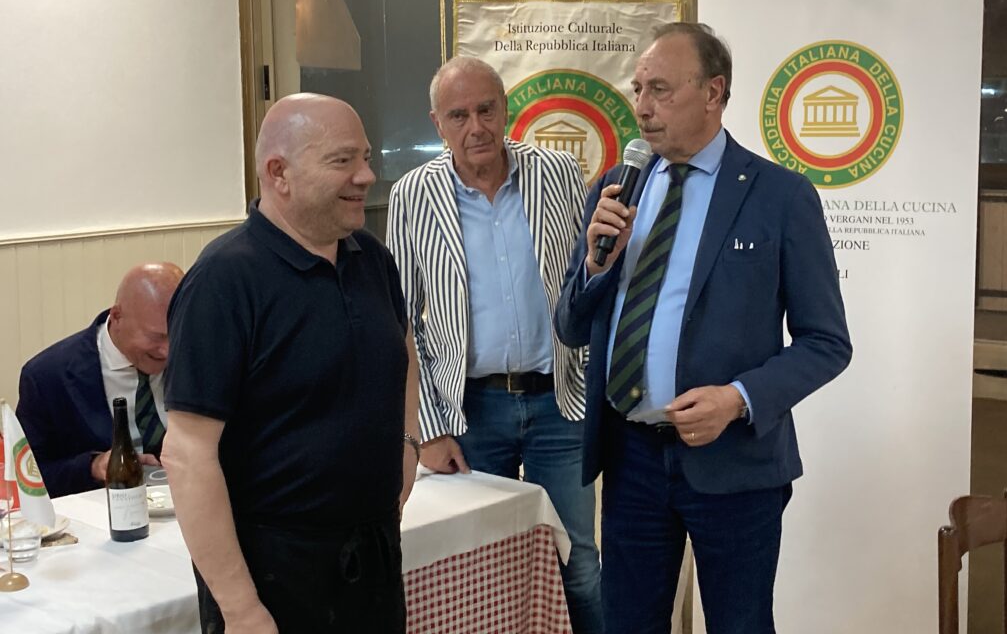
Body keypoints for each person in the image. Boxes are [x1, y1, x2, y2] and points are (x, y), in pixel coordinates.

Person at [554, 22, 852, 634]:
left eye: (660, 90)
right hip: (631, 459)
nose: (642, 107)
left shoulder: (780, 196)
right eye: (638, 89)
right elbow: (570, 327)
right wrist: (594, 267)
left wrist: (737, 399)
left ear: (714, 92)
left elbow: (827, 343)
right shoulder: (616, 188)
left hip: (735, 463)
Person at [161, 93, 419, 634]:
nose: (367, 176)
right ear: (278, 173)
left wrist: (407, 444)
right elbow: (187, 455)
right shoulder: (223, 281)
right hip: (273, 571)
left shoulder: (371, 258)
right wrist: (240, 608)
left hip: (373, 557)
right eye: (343, 160)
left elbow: (402, 350)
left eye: (366, 157)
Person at [387, 56, 603, 632]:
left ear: (506, 109)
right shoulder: (413, 195)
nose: (476, 127)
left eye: (486, 109)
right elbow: (401, 322)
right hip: (470, 413)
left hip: (560, 403)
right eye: (458, 115)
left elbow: (586, 283)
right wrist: (428, 429)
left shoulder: (557, 173)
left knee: (579, 562)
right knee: (484, 562)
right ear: (437, 123)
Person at [17, 262, 184, 497]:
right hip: (99, 511)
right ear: (117, 317)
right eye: (156, 337)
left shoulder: (202, 357)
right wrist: (93, 467)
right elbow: (28, 477)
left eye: (178, 333)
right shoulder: (47, 377)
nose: (168, 350)